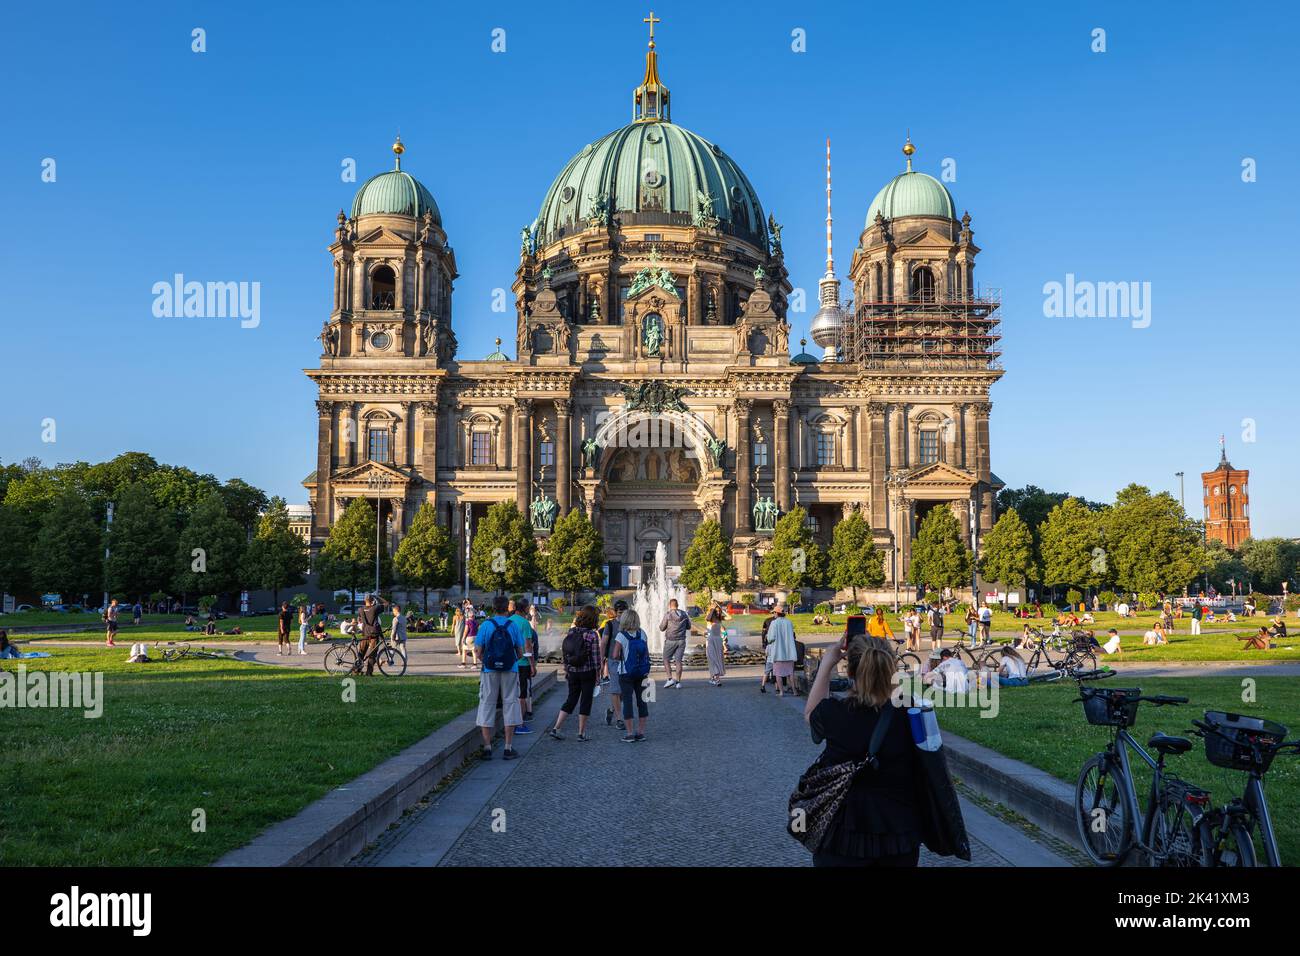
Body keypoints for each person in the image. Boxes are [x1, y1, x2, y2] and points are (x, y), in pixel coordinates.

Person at [802, 634, 929, 867]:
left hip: (842, 831)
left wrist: (827, 664)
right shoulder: (910, 710)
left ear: (850, 673)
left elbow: (810, 714)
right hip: (898, 830)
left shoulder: (835, 713)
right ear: (891, 668)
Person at [474, 594, 527, 760]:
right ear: (507, 608)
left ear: (493, 608)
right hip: (510, 669)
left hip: (489, 671)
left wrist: (488, 662)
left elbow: (477, 651)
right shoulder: (513, 625)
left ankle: (488, 747)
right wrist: (510, 661)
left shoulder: (486, 625)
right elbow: (520, 652)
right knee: (510, 703)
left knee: (487, 703)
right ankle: (508, 747)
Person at [549, 604, 603, 741]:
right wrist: (599, 675)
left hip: (572, 671)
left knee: (571, 699)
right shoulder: (592, 635)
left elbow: (566, 651)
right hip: (588, 672)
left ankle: (556, 728)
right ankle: (581, 733)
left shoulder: (571, 632)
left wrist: (567, 668)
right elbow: (596, 658)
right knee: (586, 701)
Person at [613, 608, 651, 742]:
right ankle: (641, 732)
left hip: (626, 673)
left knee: (628, 701)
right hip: (642, 673)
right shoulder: (642, 634)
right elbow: (646, 653)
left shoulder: (621, 636)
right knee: (642, 701)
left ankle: (629, 733)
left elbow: (615, 655)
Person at [510, 598, 538, 732]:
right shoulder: (525, 623)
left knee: (512, 694)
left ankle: (510, 723)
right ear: (526, 608)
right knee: (522, 695)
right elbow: (528, 646)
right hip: (522, 663)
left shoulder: (509, 620)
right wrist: (532, 665)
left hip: (510, 663)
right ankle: (520, 724)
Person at [602, 600, 628, 727]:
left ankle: (611, 710)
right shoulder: (610, 625)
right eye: (619, 613)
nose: (621, 615)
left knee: (624, 691)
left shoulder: (630, 624)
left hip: (628, 661)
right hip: (614, 661)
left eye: (624, 613)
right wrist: (601, 659)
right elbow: (604, 643)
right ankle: (619, 719)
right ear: (616, 612)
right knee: (616, 690)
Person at [765, 602, 798, 697]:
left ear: (776, 613)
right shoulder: (789, 622)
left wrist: (768, 638)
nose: (773, 614)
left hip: (778, 652)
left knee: (778, 674)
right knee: (790, 673)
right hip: (789, 652)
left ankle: (781, 692)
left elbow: (770, 638)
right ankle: (795, 691)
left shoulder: (774, 623)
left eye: (774, 613)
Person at [659, 598, 691, 689]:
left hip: (670, 640)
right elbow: (689, 627)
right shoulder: (684, 614)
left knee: (666, 659)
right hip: (681, 641)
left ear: (670, 605)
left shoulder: (668, 614)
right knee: (678, 661)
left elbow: (661, 628)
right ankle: (678, 682)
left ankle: (670, 679)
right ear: (677, 605)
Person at [351, 596, 385, 675]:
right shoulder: (375, 608)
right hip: (374, 634)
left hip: (365, 633)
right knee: (372, 654)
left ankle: (355, 671)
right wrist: (378, 597)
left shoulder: (360, 609)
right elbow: (386, 603)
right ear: (372, 601)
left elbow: (359, 619)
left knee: (361, 653)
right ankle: (369, 672)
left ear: (364, 600)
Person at [705, 601, 727, 686]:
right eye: (716, 611)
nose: (718, 612)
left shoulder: (719, 619)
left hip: (716, 640)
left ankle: (716, 678)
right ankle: (713, 678)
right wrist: (713, 608)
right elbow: (708, 617)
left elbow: (730, 617)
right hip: (713, 640)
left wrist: (721, 609)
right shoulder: (710, 619)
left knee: (715, 658)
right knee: (712, 658)